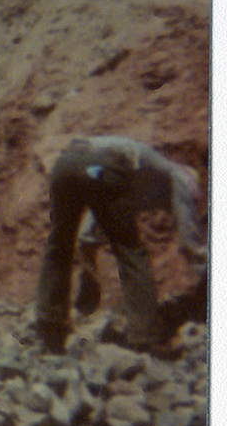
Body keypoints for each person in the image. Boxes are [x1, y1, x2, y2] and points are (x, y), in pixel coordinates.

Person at [35, 136, 206, 354]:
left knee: (59, 244)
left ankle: (50, 327)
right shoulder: (182, 178)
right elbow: (190, 237)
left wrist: (88, 247)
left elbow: (100, 205)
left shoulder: (144, 176)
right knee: (131, 251)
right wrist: (206, 273)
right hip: (99, 166)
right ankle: (146, 336)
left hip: (67, 162)